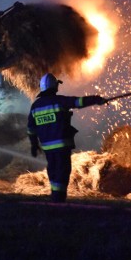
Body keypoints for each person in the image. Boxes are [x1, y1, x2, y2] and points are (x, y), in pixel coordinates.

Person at [27, 73, 105, 203]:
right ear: (53, 86)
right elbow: (78, 102)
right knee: (63, 170)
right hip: (61, 145)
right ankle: (59, 198)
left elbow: (31, 128)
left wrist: (34, 145)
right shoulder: (59, 101)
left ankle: (55, 195)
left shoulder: (36, 106)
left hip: (47, 147)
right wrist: (97, 99)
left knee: (52, 169)